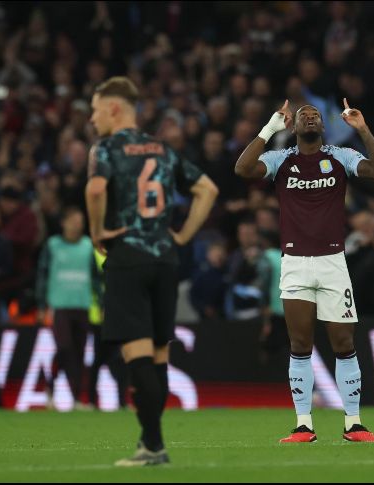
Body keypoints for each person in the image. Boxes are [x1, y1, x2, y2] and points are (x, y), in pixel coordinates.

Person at [235, 98, 374, 443]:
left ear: (322, 126)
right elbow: (242, 170)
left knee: (344, 342)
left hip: (334, 262)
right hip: (295, 264)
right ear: (293, 126)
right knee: (300, 343)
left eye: (315, 115)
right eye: (304, 115)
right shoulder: (281, 160)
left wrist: (362, 129)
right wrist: (269, 128)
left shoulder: (340, 156)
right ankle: (304, 424)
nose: (310, 118)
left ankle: (354, 424)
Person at [86, 76, 218, 466]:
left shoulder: (106, 148)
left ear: (114, 108)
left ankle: (153, 446)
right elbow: (207, 189)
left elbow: (95, 191)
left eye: (95, 111)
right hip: (165, 259)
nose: (92, 120)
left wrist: (97, 233)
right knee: (159, 354)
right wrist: (182, 236)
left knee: (137, 354)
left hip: (128, 255)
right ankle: (152, 442)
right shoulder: (162, 150)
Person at [36, 207, 101, 409]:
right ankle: (51, 388)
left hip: (82, 305)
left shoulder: (87, 246)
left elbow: (95, 277)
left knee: (79, 353)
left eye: (80, 220)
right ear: (63, 222)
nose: (78, 224)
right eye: (74, 220)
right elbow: (42, 275)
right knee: (64, 348)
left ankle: (74, 399)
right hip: (60, 306)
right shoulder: (53, 245)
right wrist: (41, 304)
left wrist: (101, 301)